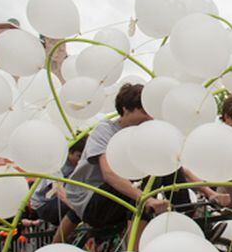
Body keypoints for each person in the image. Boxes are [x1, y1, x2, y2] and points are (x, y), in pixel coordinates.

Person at [62, 83, 173, 233]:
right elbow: (109, 174)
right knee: (148, 171)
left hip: (117, 199)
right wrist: (146, 199)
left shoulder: (142, 135)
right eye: (144, 111)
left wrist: (210, 194)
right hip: (91, 202)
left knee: (164, 160)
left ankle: (187, 216)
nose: (150, 118)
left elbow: (174, 164)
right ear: (126, 109)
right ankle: (134, 251)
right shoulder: (105, 130)